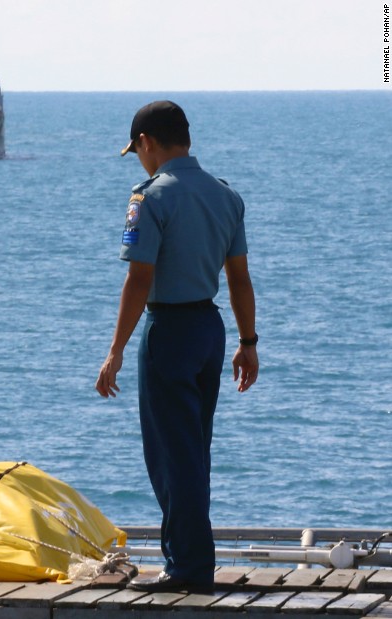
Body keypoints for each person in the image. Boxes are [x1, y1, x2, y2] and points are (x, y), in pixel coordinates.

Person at [95, 100, 259, 594]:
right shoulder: (225, 195)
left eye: (137, 150)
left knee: (171, 455)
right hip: (210, 330)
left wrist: (115, 349)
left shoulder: (152, 198)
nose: (139, 160)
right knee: (194, 450)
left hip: (168, 331)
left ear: (147, 142)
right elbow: (239, 278)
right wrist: (248, 342)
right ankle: (192, 558)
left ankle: (187, 567)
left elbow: (139, 279)